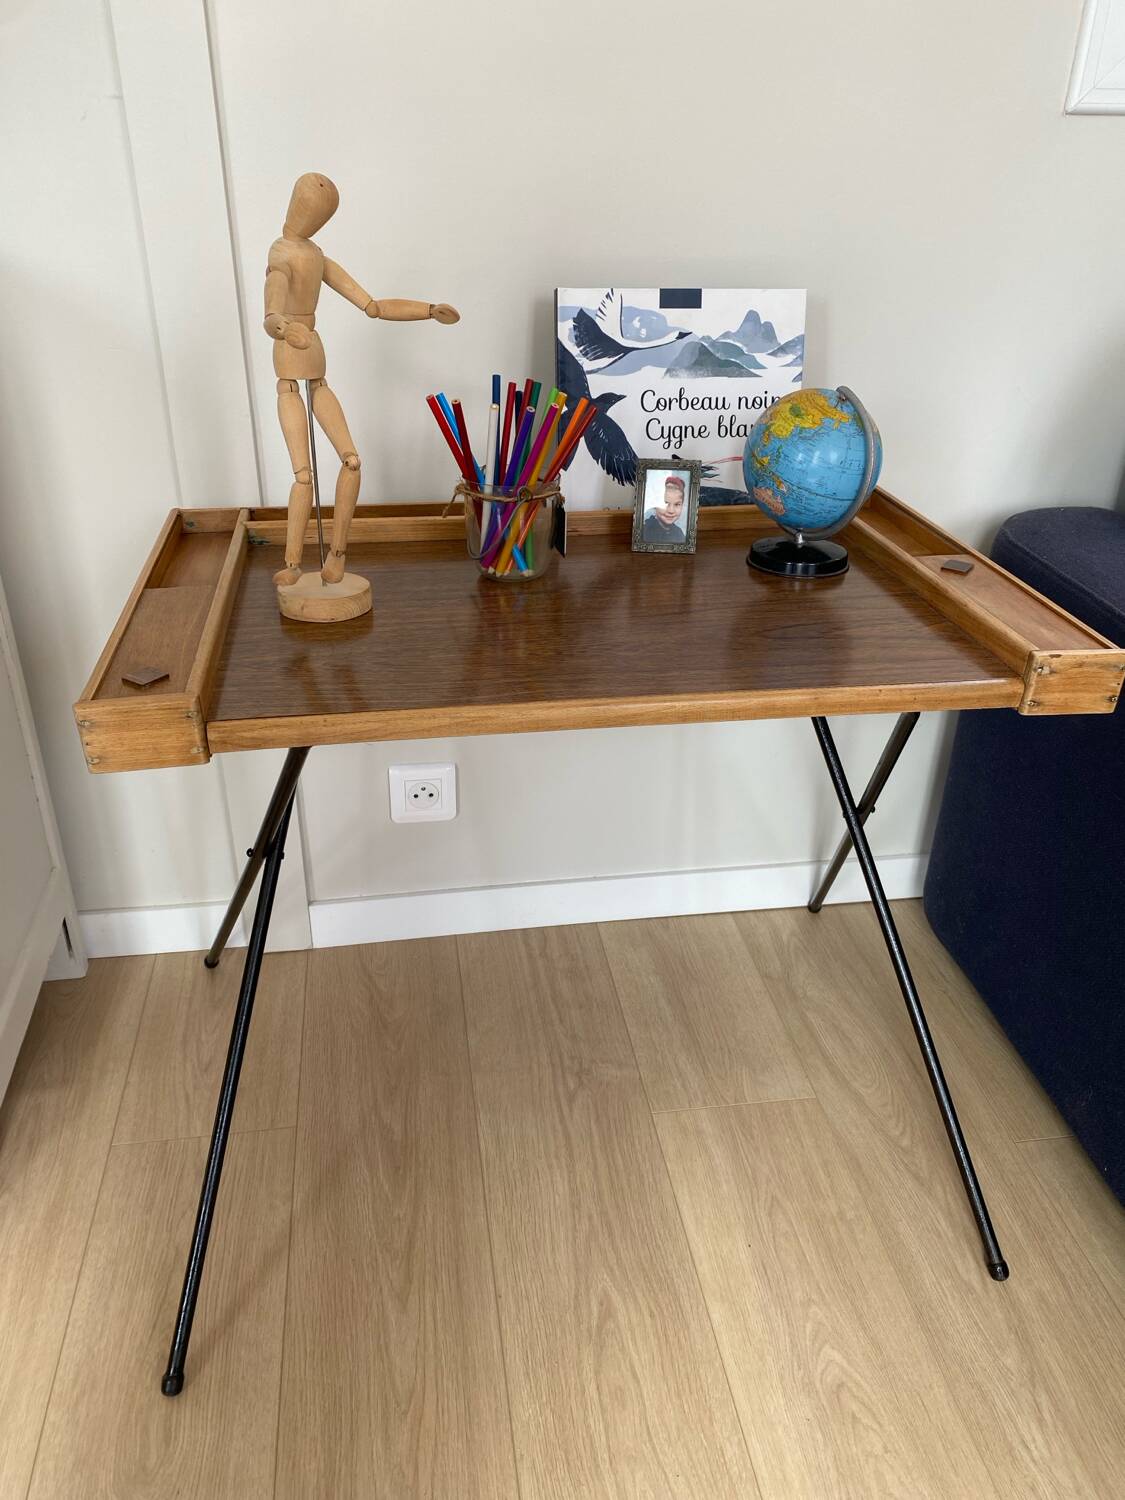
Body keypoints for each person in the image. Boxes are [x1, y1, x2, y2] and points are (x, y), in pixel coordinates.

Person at [642, 474, 687, 544]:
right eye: (665, 503)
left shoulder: (679, 533)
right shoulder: (645, 531)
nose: (671, 511)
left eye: (677, 504)